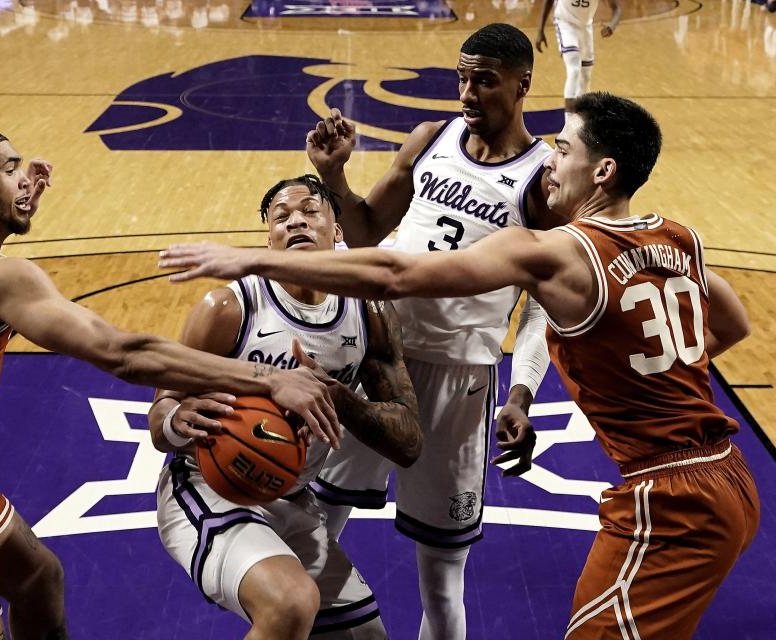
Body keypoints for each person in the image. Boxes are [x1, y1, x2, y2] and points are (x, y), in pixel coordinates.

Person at [159, 92, 761, 639]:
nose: (551, 161)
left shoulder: (553, 249)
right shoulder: (680, 237)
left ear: (602, 170)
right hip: (723, 473)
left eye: (565, 149)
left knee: (460, 576)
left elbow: (395, 273)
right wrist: (644, 371)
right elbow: (732, 324)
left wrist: (250, 259)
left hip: (664, 489)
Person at [0, 129, 338, 640]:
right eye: (9, 169)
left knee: (38, 577)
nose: (26, 178)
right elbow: (125, 354)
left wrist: (6, 210)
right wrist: (269, 377)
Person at [300, 22, 557, 639]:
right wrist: (334, 178)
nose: (467, 93)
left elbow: (542, 305)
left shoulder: (545, 180)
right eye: (461, 78)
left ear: (524, 84)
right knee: (312, 531)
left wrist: (521, 392)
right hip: (375, 362)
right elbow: (362, 233)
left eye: (484, 81)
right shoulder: (429, 138)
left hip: (459, 380)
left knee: (441, 578)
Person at [151, 174, 423, 639]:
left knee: (366, 637)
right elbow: (161, 417)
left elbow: (408, 442)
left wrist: (338, 396)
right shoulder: (229, 307)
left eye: (310, 211)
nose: (296, 221)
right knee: (291, 604)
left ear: (337, 231)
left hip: (292, 496)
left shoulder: (367, 312)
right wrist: (178, 420)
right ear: (269, 240)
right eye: (281, 217)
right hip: (210, 487)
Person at [535, 0, 622, 119]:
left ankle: (581, 118)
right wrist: (540, 30)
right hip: (565, 23)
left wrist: (612, 25)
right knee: (574, 69)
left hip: (586, 27)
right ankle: (568, 121)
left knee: (586, 76)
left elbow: (617, 8)